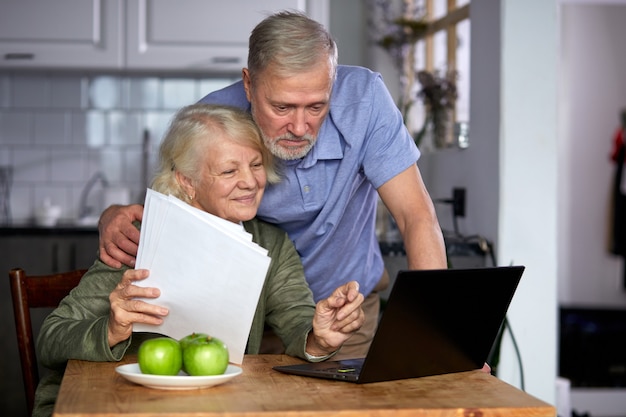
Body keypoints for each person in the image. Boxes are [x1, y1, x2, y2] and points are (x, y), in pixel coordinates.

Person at [97, 10, 447, 359]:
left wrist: (436, 336)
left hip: (343, 321)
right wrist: (112, 215)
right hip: (239, 321)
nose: (299, 127)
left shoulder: (366, 100)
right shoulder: (212, 120)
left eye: (316, 107)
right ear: (248, 84)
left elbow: (416, 215)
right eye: (282, 107)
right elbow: (169, 216)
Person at [32, 104, 365, 417]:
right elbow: (51, 338)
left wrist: (319, 337)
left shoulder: (271, 243)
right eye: (228, 170)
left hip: (217, 405)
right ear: (186, 181)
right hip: (118, 404)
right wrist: (111, 329)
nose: (249, 182)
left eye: (256, 164)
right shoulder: (139, 237)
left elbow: (296, 319)